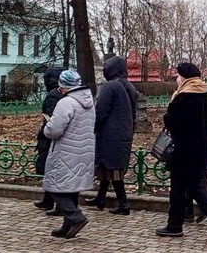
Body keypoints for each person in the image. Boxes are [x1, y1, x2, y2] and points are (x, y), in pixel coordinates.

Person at [155, 62, 207, 241]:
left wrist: (167, 115)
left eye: (178, 76)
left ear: (185, 77)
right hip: (201, 148)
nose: (177, 79)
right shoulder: (204, 93)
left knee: (184, 187)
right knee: (187, 186)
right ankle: (176, 224)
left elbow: (172, 122)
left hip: (183, 150)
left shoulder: (184, 96)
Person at [43, 69, 95, 239]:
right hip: (83, 151)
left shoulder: (66, 103)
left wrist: (47, 124)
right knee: (71, 188)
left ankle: (75, 217)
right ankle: (67, 224)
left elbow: (54, 130)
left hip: (66, 151)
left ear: (63, 86)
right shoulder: (88, 101)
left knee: (54, 187)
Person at [87, 55, 137, 215]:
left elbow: (101, 111)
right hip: (123, 132)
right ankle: (101, 198)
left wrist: (93, 127)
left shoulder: (110, 87)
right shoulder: (129, 86)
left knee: (112, 167)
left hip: (110, 133)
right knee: (107, 166)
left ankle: (123, 203)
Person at [33, 66, 65, 214]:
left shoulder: (53, 95)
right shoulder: (61, 93)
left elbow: (52, 118)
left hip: (51, 136)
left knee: (52, 169)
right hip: (57, 135)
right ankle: (48, 200)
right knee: (52, 169)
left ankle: (57, 204)